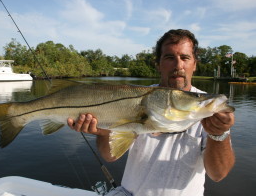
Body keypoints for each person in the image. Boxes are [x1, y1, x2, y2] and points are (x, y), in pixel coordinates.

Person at [67, 29, 235, 196]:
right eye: (170, 57)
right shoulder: (137, 99)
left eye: (185, 57)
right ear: (158, 64)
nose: (178, 65)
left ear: (195, 64)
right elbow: (110, 156)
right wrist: (103, 134)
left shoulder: (206, 111)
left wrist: (219, 135)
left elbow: (218, 174)